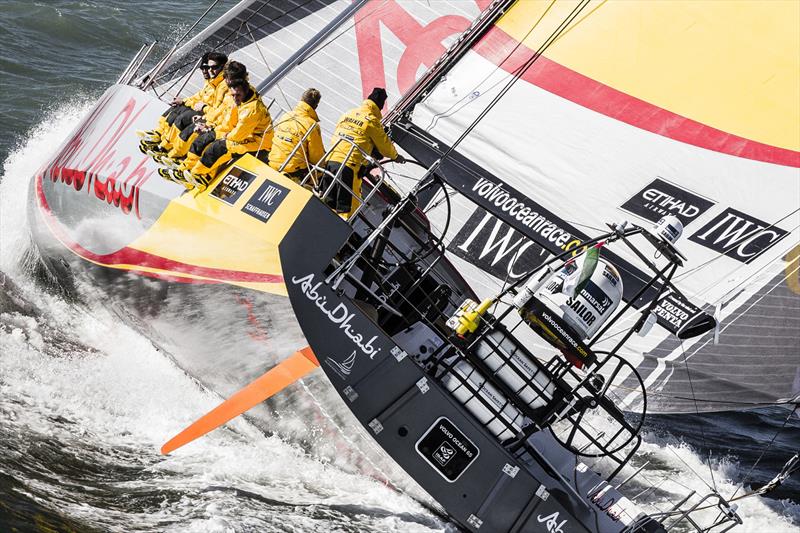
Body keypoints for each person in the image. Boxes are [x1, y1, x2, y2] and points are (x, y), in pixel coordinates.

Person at [320, 87, 404, 214]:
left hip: (330, 162)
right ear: (379, 107)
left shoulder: (348, 113)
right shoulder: (372, 121)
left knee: (324, 204)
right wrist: (396, 156)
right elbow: (385, 147)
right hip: (349, 167)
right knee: (347, 211)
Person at [181, 77, 273, 188]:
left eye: (237, 95)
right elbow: (231, 123)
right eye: (233, 95)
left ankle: (200, 175)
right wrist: (213, 128)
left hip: (260, 143)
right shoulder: (241, 100)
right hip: (247, 135)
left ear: (246, 91)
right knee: (208, 138)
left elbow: (238, 135)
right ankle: (188, 170)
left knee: (222, 146)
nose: (234, 98)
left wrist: (225, 135)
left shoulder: (251, 110)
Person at [160, 60, 248, 165]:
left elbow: (230, 121)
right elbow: (219, 111)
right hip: (217, 122)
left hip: (229, 132)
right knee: (187, 120)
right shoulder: (223, 87)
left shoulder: (235, 95)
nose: (208, 70)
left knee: (200, 137)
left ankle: (184, 164)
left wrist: (209, 125)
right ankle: (169, 151)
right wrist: (206, 118)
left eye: (227, 78)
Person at [140, 52, 228, 154]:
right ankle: (160, 134)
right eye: (203, 68)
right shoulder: (212, 81)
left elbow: (216, 108)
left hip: (208, 114)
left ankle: (167, 147)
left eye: (208, 67)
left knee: (184, 118)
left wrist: (204, 113)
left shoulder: (221, 84)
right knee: (178, 107)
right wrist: (184, 101)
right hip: (203, 109)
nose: (206, 71)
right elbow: (199, 96)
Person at [268, 88, 325, 182]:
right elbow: (316, 157)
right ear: (316, 106)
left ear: (301, 99)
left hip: (273, 162)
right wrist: (317, 176)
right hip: (292, 171)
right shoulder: (312, 125)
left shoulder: (286, 116)